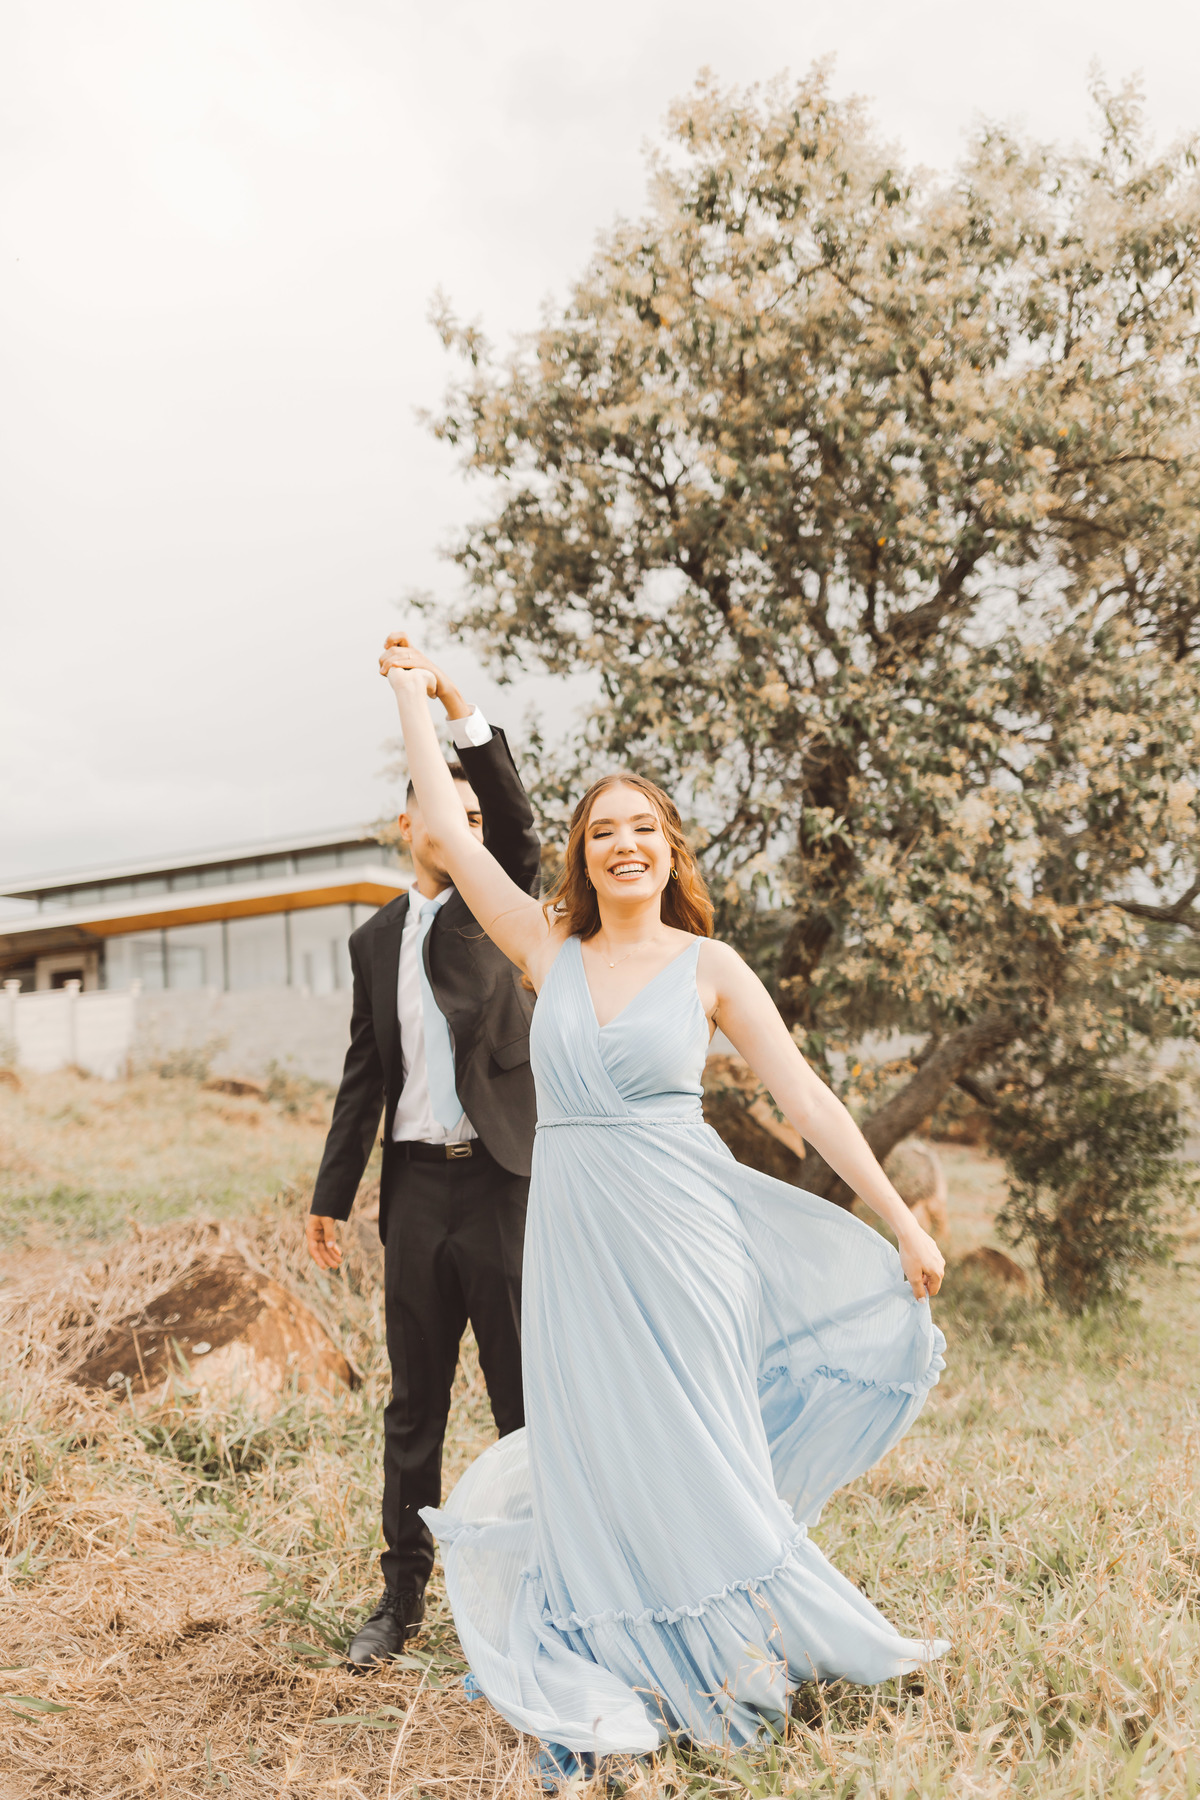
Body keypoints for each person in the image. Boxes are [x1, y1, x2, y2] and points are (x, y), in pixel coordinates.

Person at [383, 644, 949, 1784]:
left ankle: (735, 1648)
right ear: (585, 859)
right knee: (593, 1447)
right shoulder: (546, 946)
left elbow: (808, 1102)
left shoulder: (711, 966)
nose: (624, 843)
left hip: (686, 1239)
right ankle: (622, 1650)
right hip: (575, 1240)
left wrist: (902, 1218)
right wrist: (420, 697)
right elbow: (445, 822)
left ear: (670, 851)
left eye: (643, 827)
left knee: (697, 1442)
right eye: (603, 831)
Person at [307, 638, 540, 1669]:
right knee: (415, 1403)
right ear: (408, 826)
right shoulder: (372, 942)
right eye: (445, 817)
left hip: (501, 1186)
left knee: (525, 1394)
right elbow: (366, 1072)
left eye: (475, 821)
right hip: (412, 1196)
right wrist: (332, 1192)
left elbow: (519, 821)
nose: (464, 832)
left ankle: (550, 1584)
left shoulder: (506, 909)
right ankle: (399, 1600)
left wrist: (453, 704)